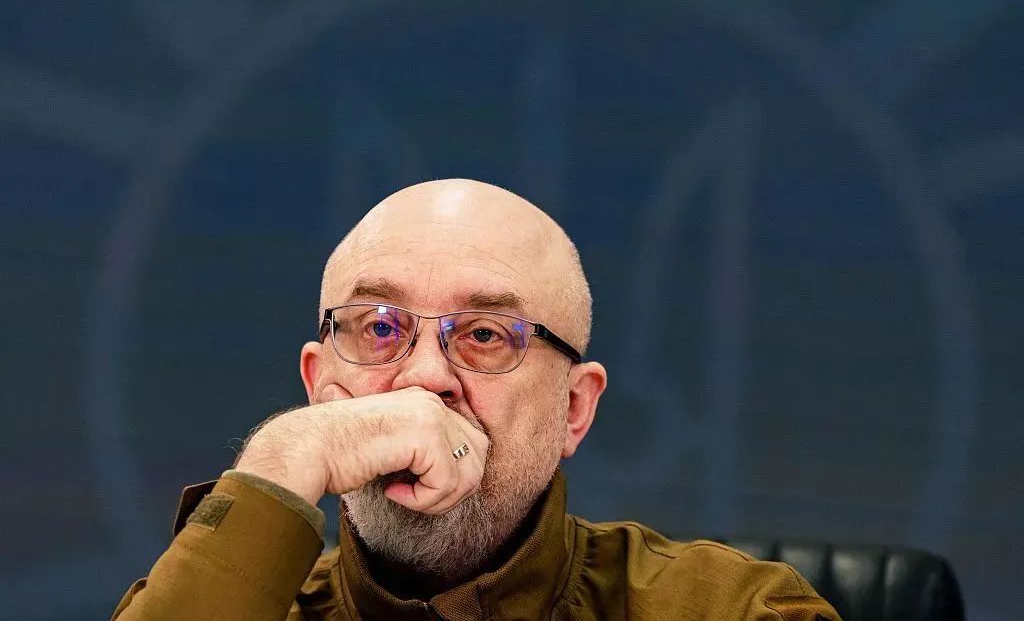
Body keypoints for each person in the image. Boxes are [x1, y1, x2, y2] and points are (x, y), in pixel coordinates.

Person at [113, 179, 840, 620]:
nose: (424, 377)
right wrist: (283, 455)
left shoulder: (730, 609)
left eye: (486, 335)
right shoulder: (234, 598)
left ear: (575, 409)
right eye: (380, 328)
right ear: (317, 387)